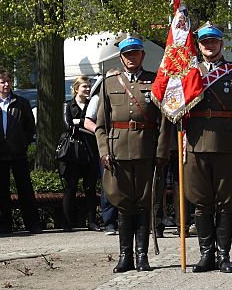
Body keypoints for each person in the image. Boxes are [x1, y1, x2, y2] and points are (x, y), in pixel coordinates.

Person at [159, 23, 232, 274]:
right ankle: (206, 254)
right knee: (201, 203)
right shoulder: (187, 73)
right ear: (198, 46)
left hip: (227, 144)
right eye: (204, 42)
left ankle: (224, 255)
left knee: (225, 203)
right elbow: (174, 106)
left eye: (214, 41)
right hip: (196, 144)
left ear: (221, 44)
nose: (209, 46)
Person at [95, 37, 165, 272]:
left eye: (135, 53)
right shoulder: (110, 82)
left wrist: (162, 150)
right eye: (127, 54)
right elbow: (100, 125)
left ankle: (142, 256)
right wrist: (104, 150)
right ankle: (126, 256)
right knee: (124, 204)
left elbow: (164, 121)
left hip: (146, 149)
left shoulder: (154, 81)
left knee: (144, 204)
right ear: (121, 57)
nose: (131, 58)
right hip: (118, 151)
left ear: (142, 56)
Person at [0, 70, 41, 233]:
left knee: (25, 189)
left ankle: (33, 224)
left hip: (18, 153)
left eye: (8, 81)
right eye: (2, 82)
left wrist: (23, 143)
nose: (6, 84)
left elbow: (30, 127)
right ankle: (3, 225)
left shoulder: (21, 103)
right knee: (0, 190)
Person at [60, 76, 99, 231]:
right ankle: (68, 222)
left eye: (89, 86)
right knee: (71, 187)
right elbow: (68, 125)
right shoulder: (68, 105)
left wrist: (80, 123)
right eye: (84, 86)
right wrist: (84, 123)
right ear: (76, 89)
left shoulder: (92, 105)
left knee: (90, 187)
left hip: (90, 150)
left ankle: (91, 221)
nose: (88, 89)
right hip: (73, 152)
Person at [85, 69, 121, 234]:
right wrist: (103, 136)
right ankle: (109, 221)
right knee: (108, 184)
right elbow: (88, 121)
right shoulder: (97, 98)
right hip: (106, 144)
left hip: (123, 144)